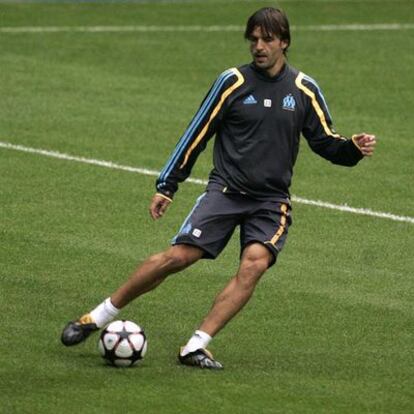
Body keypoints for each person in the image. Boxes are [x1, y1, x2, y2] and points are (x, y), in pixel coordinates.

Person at [61, 7, 376, 369]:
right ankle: (96, 317)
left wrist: (352, 147)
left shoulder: (304, 89)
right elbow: (196, 132)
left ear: (284, 42)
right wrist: (168, 185)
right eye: (253, 39)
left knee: (253, 266)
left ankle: (196, 345)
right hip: (225, 192)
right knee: (177, 258)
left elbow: (325, 142)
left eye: (267, 39)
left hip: (271, 201)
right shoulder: (232, 83)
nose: (258, 46)